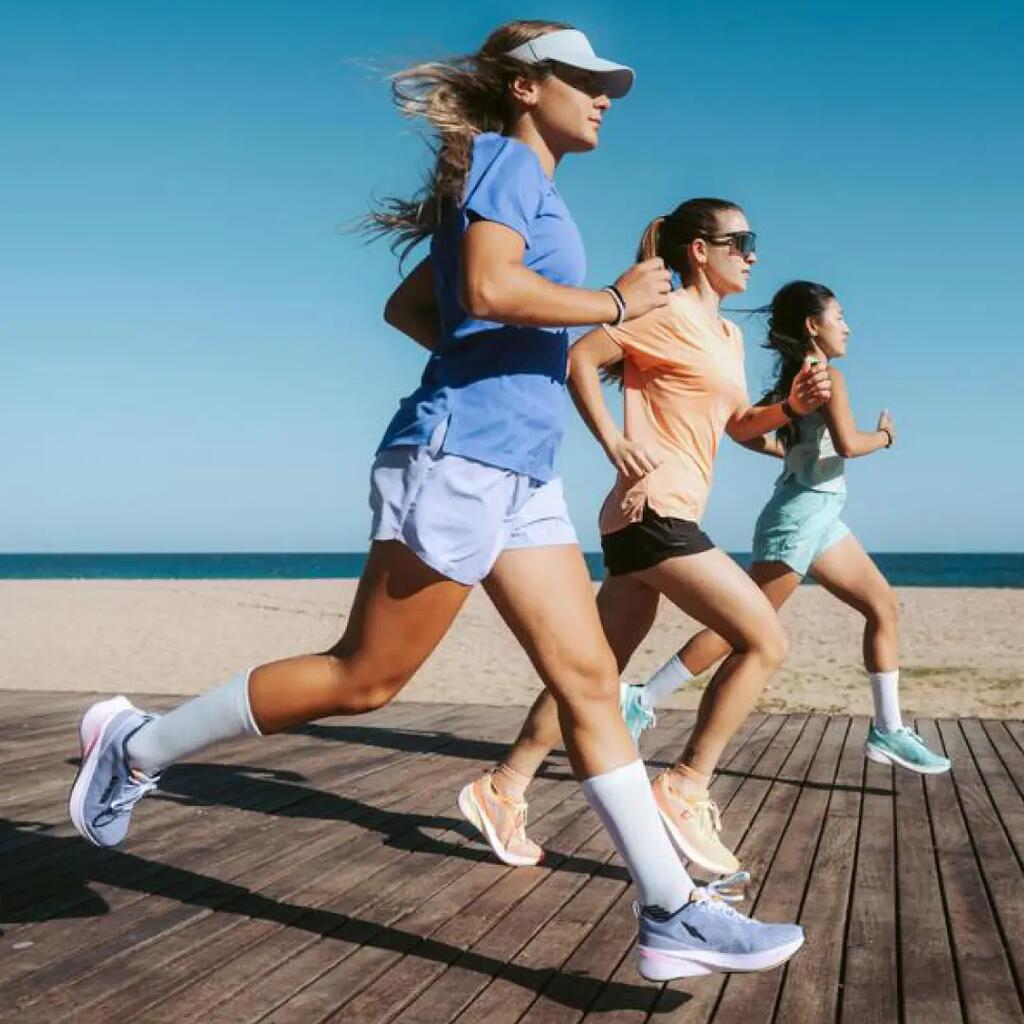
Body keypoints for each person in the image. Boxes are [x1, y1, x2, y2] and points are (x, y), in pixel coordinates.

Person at [68, 22, 806, 981]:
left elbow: (420, 308)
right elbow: (495, 287)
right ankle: (136, 745)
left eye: (608, 83)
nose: (605, 96)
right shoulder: (504, 162)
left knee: (590, 684)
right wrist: (614, 304)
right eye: (585, 80)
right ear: (529, 86)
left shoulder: (519, 183)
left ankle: (671, 913)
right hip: (461, 459)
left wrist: (490, 346)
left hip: (521, 472)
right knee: (366, 678)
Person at [458, 200, 832, 880]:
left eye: (755, 242)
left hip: (651, 517)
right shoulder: (659, 312)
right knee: (764, 640)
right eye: (740, 242)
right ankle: (686, 786)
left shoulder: (726, 336)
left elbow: (738, 423)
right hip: (653, 510)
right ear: (699, 251)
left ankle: (503, 787)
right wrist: (614, 441)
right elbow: (581, 357)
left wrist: (792, 409)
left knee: (591, 675)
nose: (752, 254)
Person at [620, 281, 951, 780]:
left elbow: (758, 435)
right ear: (812, 325)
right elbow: (846, 442)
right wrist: (883, 437)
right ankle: (643, 697)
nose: (848, 325)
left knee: (883, 605)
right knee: (742, 627)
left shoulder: (798, 380)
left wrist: (789, 454)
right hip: (799, 519)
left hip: (819, 516)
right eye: (839, 316)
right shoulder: (827, 377)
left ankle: (888, 729)